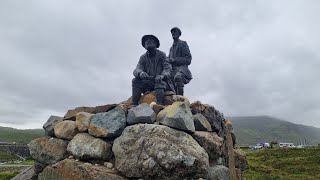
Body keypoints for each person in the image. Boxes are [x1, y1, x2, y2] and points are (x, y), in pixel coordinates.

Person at [132, 35, 172, 105]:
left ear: (156, 44)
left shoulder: (162, 55)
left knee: (158, 81)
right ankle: (134, 104)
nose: (148, 42)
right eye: (146, 41)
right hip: (148, 84)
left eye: (151, 40)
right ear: (144, 45)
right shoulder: (143, 58)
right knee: (135, 81)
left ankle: (159, 105)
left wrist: (162, 76)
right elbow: (136, 69)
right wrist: (140, 73)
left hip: (162, 83)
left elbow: (167, 69)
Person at [168, 27, 192, 95]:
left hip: (182, 70)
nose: (173, 33)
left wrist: (174, 60)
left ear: (179, 34)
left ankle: (181, 101)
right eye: (172, 32)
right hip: (172, 71)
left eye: (175, 31)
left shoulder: (183, 44)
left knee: (178, 77)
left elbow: (188, 59)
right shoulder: (171, 49)